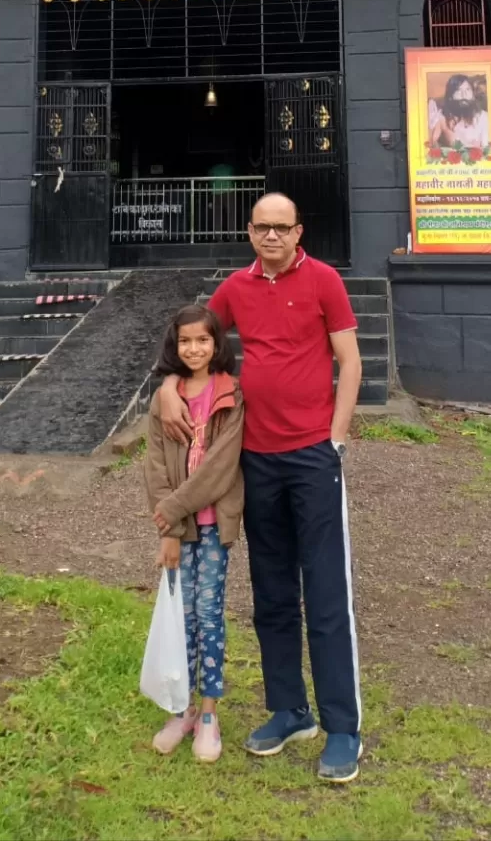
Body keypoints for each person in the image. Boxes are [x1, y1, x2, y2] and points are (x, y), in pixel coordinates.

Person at [158, 192, 364, 783]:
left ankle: (342, 727)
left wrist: (338, 436)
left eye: (282, 228)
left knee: (325, 593)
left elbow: (349, 362)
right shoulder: (237, 289)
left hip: (312, 456)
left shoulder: (324, 280)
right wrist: (170, 385)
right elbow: (193, 339)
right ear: (249, 233)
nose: (271, 236)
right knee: (272, 592)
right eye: (261, 227)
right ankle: (289, 710)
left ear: (299, 232)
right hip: (257, 460)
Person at [144, 305, 245, 763]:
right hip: (178, 531)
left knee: (209, 614)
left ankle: (209, 713)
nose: (194, 349)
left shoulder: (231, 395)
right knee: (180, 618)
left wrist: (173, 509)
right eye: (185, 341)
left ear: (216, 343)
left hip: (212, 525)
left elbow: (221, 466)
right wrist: (167, 525)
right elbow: (155, 466)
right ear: (175, 344)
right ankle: (181, 709)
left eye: (203, 341)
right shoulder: (164, 397)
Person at [428, 74, 491, 152]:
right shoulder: (442, 118)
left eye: (468, 90)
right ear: (450, 96)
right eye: (458, 90)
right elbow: (431, 144)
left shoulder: (483, 117)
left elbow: (487, 150)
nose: (464, 94)